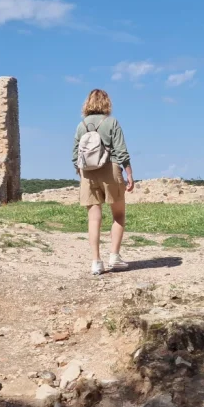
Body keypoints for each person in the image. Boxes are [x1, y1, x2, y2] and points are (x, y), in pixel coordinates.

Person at [72, 89, 135, 275]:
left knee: (93, 217)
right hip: (111, 169)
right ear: (107, 103)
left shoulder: (81, 125)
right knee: (118, 214)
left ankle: (96, 262)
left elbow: (74, 155)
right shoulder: (111, 122)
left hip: (87, 174)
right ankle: (114, 256)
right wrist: (129, 174)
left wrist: (81, 173)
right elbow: (122, 151)